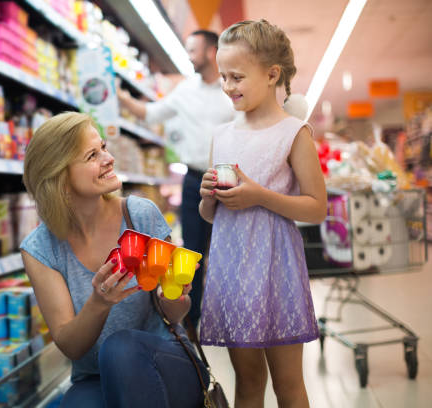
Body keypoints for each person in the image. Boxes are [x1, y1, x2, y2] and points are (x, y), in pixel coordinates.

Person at [19, 111, 209, 408]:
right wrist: (99, 302)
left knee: (120, 348)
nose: (108, 159)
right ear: (59, 177)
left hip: (165, 361)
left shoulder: (139, 215)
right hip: (94, 376)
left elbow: (173, 315)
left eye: (104, 148)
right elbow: (71, 346)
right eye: (92, 155)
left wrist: (175, 294)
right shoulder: (40, 249)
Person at [198, 20, 327, 407]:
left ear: (272, 74)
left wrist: (260, 196)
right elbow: (211, 215)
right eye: (223, 76)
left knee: (288, 383)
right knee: (248, 380)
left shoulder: (293, 133)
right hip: (232, 270)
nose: (227, 86)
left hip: (277, 269)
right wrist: (208, 199)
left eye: (237, 76)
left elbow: (316, 207)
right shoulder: (221, 136)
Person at [117, 30, 235, 335]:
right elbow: (151, 112)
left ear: (211, 51)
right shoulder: (185, 92)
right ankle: (192, 322)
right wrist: (119, 97)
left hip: (232, 178)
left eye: (192, 49)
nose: (188, 56)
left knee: (229, 253)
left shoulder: (231, 88)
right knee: (191, 254)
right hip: (195, 178)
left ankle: (231, 317)